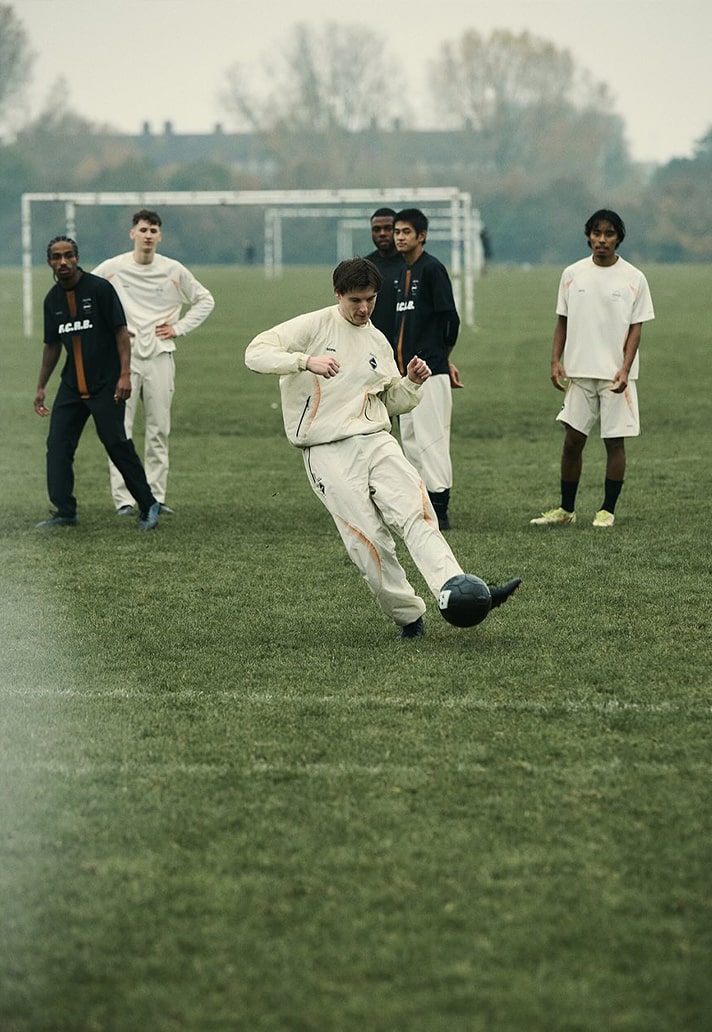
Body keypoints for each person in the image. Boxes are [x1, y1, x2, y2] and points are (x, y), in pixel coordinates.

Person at [244, 257, 520, 639]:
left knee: (417, 512)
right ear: (338, 294)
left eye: (370, 300)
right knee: (370, 541)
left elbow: (389, 402)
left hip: (376, 440)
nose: (364, 309)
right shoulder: (313, 326)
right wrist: (306, 362)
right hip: (326, 449)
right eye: (355, 300)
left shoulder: (377, 340)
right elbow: (254, 353)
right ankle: (409, 616)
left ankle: (460, 592)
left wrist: (411, 383)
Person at [530, 209, 655, 529]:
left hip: (616, 376)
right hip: (579, 373)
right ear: (588, 236)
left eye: (609, 234)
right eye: (596, 233)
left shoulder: (634, 278)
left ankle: (607, 510)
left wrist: (625, 368)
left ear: (618, 238)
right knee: (573, 440)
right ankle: (566, 510)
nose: (602, 239)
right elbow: (562, 321)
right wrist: (555, 361)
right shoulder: (572, 274)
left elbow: (636, 329)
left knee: (614, 442)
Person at [93, 209, 215, 516]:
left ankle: (156, 497)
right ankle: (124, 500)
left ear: (159, 236)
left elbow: (205, 300)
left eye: (153, 231)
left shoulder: (173, 270)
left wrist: (179, 328)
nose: (148, 235)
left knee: (159, 429)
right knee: (120, 431)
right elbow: (87, 294)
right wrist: (109, 329)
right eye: (143, 229)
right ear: (132, 233)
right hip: (123, 359)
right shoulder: (113, 267)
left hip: (160, 355)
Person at [34, 236, 160, 531]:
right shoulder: (52, 300)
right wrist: (41, 387)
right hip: (71, 386)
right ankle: (65, 511)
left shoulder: (99, 289)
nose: (63, 262)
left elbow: (121, 332)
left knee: (116, 443)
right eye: (56, 257)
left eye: (68, 255)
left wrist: (125, 374)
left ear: (76, 258)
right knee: (58, 446)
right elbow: (52, 345)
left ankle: (148, 504)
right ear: (50, 262)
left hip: (106, 383)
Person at [392, 208, 462, 530]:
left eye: (406, 231)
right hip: (406, 376)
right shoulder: (402, 272)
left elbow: (450, 320)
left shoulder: (432, 269)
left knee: (431, 440)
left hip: (430, 372)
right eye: (397, 231)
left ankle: (440, 508)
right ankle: (420, 504)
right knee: (410, 440)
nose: (400, 237)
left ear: (422, 236)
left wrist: (440, 358)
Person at [365, 207, 403, 342]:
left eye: (388, 228)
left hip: (407, 347)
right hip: (372, 345)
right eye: (376, 229)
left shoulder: (413, 265)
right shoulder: (364, 266)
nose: (382, 233)